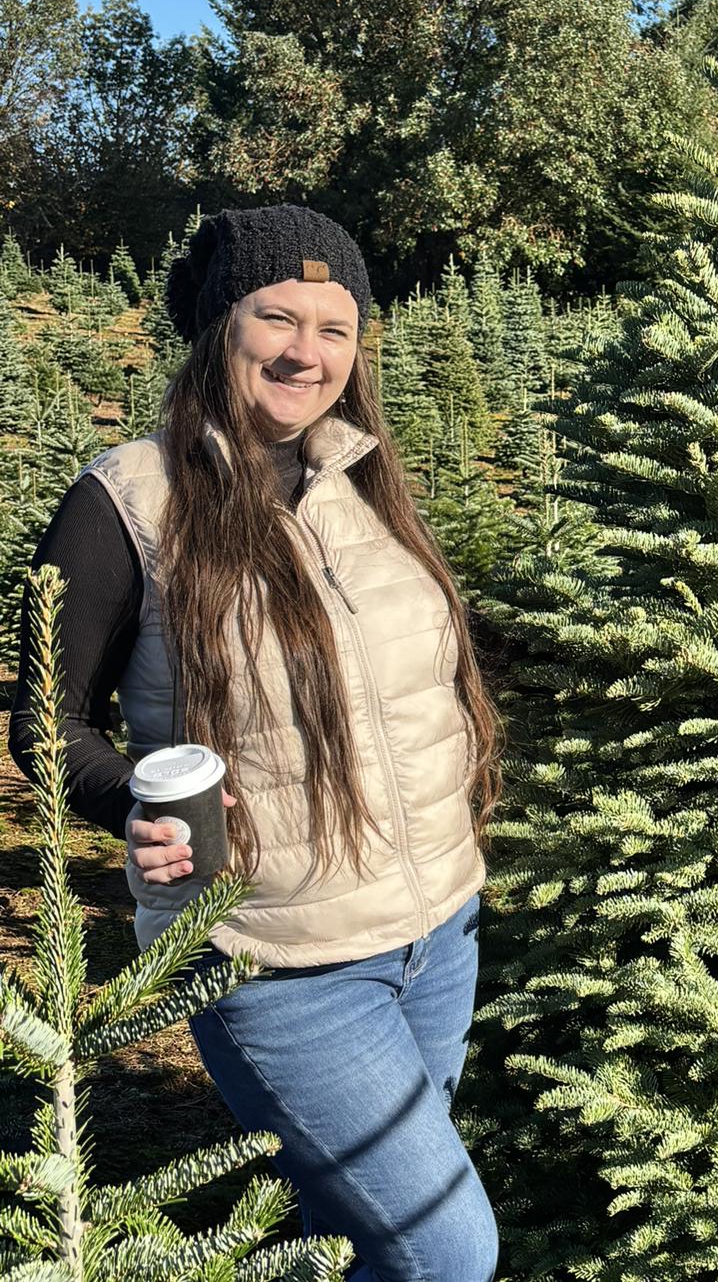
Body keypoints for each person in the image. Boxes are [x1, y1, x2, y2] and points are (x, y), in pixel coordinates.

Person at [10, 205, 502, 1282]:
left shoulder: (364, 478)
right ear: (218, 328)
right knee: (448, 1252)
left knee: (363, 1241)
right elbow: (47, 722)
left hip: (437, 932)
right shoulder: (127, 500)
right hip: (279, 959)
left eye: (335, 328)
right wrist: (135, 806)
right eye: (276, 317)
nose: (305, 352)